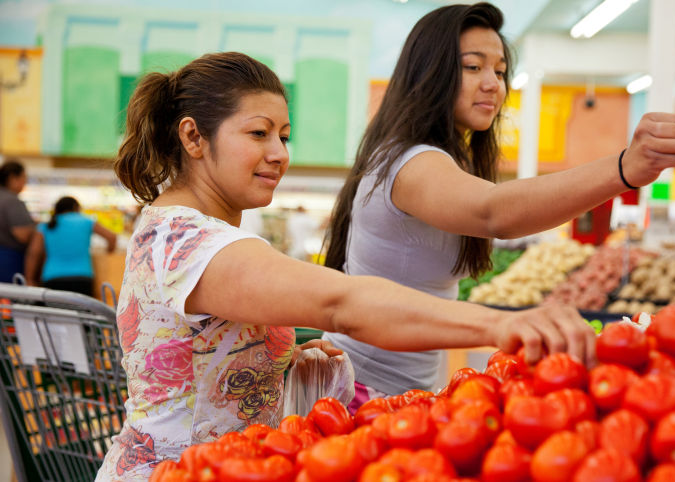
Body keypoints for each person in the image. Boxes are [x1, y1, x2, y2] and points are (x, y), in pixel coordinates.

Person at [96, 51, 597, 481]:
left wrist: (282, 365)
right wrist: (500, 323)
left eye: (284, 136)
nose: (279, 154)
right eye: (259, 133)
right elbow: (343, 301)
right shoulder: (187, 242)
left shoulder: (181, 229)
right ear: (193, 137)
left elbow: (200, 362)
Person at [321, 2, 675, 408]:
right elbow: (494, 212)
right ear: (429, 73)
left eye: (500, 71)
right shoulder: (411, 162)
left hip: (394, 390)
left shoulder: (434, 158)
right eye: (473, 67)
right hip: (361, 391)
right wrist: (624, 168)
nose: (493, 83)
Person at [24, 196, 117, 297]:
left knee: (57, 312)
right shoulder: (87, 222)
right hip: (82, 277)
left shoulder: (45, 226)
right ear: (76, 207)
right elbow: (112, 238)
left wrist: (30, 279)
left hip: (52, 277)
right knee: (82, 312)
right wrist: (109, 252)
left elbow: (34, 253)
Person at [0, 159, 36, 283]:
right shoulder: (12, 201)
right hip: (8, 261)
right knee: (10, 300)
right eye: (23, 177)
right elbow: (22, 234)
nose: (25, 182)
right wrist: (36, 228)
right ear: (12, 178)